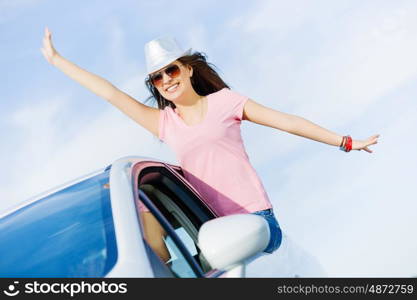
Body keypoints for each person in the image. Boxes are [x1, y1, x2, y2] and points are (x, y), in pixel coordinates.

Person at [40, 27, 379, 263]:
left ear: (187, 69)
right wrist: (57, 61)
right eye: (157, 78)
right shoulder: (164, 123)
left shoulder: (226, 102)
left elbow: (288, 122)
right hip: (212, 230)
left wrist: (347, 142)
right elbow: (110, 92)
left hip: (255, 221)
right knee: (141, 205)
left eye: (170, 70)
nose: (165, 80)